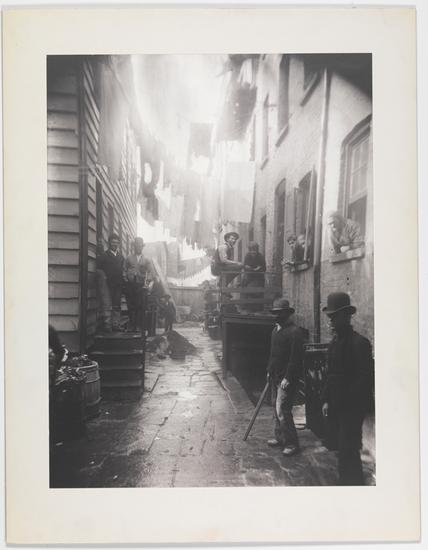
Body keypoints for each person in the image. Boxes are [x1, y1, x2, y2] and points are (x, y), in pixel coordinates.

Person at [321, 292, 374, 485]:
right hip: (338, 405)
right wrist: (327, 400)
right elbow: (331, 374)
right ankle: (346, 481)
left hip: (352, 407)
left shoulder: (360, 343)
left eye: (334, 317)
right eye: (330, 317)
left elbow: (365, 379)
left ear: (346, 316)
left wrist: (345, 401)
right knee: (341, 447)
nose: (331, 321)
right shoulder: (334, 343)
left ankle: (353, 484)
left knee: (349, 448)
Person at [266, 298, 306, 456]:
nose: (277, 316)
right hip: (275, 376)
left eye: (280, 313)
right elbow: (273, 355)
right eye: (275, 313)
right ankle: (280, 437)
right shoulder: (275, 331)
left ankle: (292, 443)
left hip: (286, 379)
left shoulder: (295, 332)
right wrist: (269, 370)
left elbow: (296, 358)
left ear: (287, 314)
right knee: (275, 407)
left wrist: (288, 378)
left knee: (283, 409)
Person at [124, 237, 153, 332]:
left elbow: (151, 272)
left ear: (142, 247)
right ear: (134, 246)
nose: (138, 247)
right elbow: (124, 269)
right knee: (131, 305)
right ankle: (131, 325)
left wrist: (147, 282)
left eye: (140, 246)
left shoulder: (146, 259)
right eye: (136, 246)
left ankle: (138, 326)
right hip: (130, 285)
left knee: (140, 306)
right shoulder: (128, 258)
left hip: (140, 286)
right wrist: (125, 279)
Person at [96, 233, 124, 332]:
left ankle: (116, 325)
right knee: (107, 305)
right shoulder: (104, 255)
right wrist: (104, 277)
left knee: (117, 305)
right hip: (107, 284)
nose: (115, 244)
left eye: (116, 242)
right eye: (113, 242)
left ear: (118, 244)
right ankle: (107, 325)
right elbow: (98, 269)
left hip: (118, 284)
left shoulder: (121, 257)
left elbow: (123, 270)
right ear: (109, 243)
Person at [242, 242, 266, 311]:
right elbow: (245, 266)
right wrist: (248, 267)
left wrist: (258, 268)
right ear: (249, 250)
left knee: (253, 289)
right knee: (243, 286)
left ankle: (258, 308)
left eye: (254, 250)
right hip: (249, 276)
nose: (253, 252)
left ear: (257, 250)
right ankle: (245, 306)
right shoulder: (247, 256)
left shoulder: (260, 257)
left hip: (258, 277)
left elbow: (264, 268)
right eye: (251, 250)